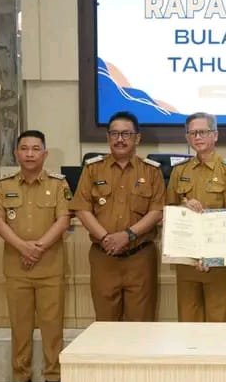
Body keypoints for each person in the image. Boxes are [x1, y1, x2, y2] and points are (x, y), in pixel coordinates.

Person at [0, 130, 71, 382]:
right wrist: (24, 247)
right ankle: (20, 379)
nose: (30, 154)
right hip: (17, 268)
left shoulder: (58, 185)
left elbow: (63, 220)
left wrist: (37, 248)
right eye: (24, 148)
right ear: (16, 153)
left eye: (36, 149)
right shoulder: (3, 186)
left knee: (52, 325)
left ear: (44, 154)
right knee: (20, 325)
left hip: (50, 267)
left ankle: (53, 378)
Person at [70, 111, 164, 321]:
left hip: (140, 257)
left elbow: (157, 211)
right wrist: (105, 238)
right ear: (108, 137)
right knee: (105, 323)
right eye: (114, 134)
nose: (120, 139)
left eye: (126, 134)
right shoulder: (93, 169)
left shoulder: (151, 171)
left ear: (137, 138)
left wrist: (127, 235)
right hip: (104, 257)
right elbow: (82, 208)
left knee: (140, 323)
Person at [166, 112, 226, 322]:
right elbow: (169, 211)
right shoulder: (179, 171)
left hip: (217, 261)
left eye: (203, 132)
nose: (198, 137)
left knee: (219, 323)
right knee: (187, 321)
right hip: (186, 259)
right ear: (187, 137)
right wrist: (183, 207)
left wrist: (210, 256)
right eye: (192, 133)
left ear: (215, 135)